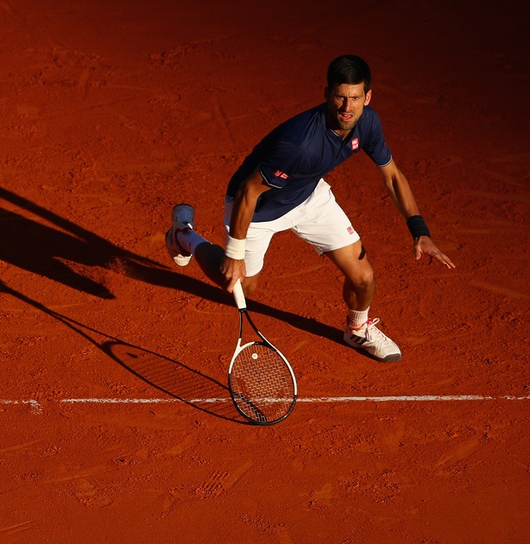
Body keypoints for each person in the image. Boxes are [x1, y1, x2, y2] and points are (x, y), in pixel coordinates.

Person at [165, 54, 455, 362]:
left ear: (367, 96)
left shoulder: (368, 123)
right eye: (340, 97)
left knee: (363, 277)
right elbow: (249, 191)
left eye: (355, 98)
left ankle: (357, 330)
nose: (347, 108)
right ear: (327, 93)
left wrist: (418, 230)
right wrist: (234, 253)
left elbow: (393, 177)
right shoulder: (300, 143)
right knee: (236, 282)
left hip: (308, 195)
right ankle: (184, 236)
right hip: (258, 209)